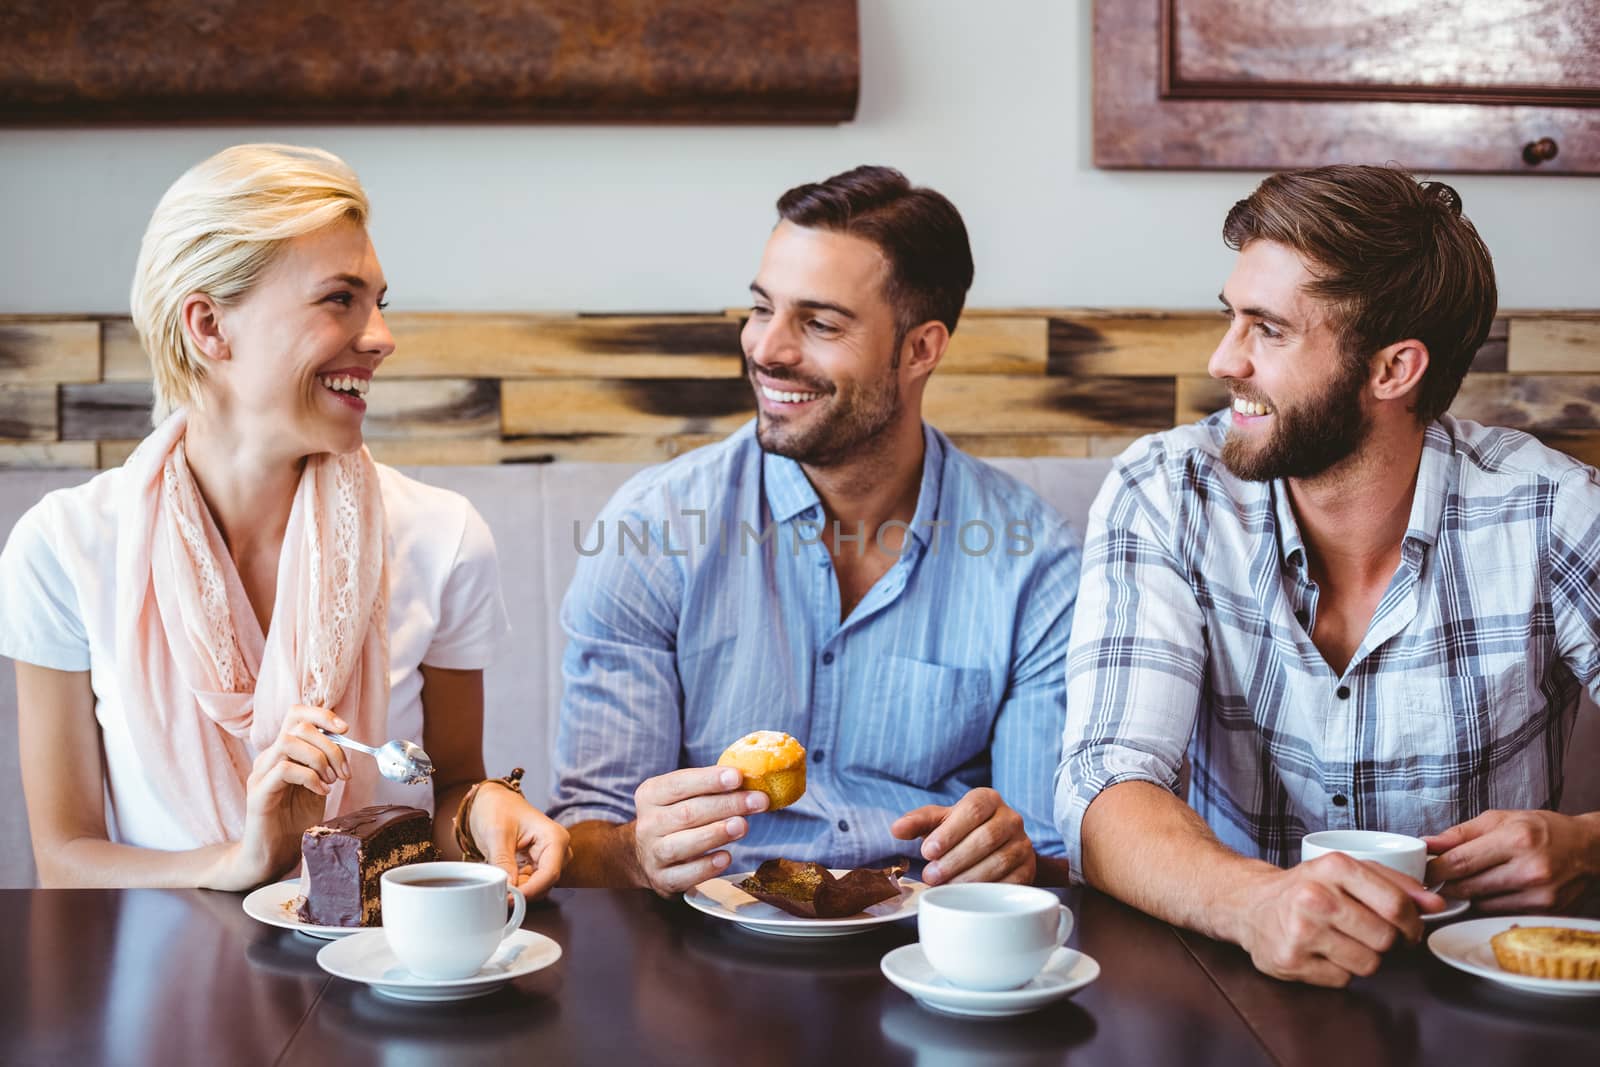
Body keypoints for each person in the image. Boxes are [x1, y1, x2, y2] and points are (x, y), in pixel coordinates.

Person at [1056, 163, 1600, 987]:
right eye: (1231, 318)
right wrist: (1255, 903)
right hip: (1229, 976)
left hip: (1489, 989)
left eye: (1268, 330)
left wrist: (1587, 844)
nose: (1224, 359)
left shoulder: (1549, 510)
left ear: (1393, 370)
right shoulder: (1165, 491)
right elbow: (1104, 784)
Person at [0, 144, 568, 898]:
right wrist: (238, 861)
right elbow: (65, 856)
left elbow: (452, 785)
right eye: (340, 298)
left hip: (382, 978)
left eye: (378, 302)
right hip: (163, 996)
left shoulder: (444, 538)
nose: (381, 337)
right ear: (208, 326)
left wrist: (487, 805)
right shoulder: (63, 549)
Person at [551, 166, 1081, 894]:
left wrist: (1012, 853)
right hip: (704, 953)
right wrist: (636, 849)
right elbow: (580, 840)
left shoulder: (1035, 563)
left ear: (921, 349)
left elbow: (1051, 851)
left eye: (820, 323)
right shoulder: (652, 532)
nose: (768, 348)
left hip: (931, 943)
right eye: (761, 308)